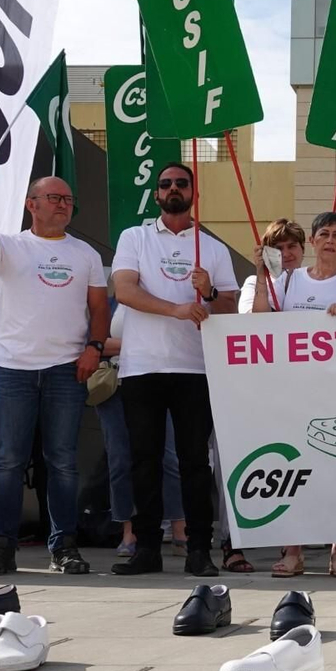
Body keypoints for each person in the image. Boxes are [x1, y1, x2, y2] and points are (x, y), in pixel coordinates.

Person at [0, 157, 109, 576]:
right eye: (54, 198)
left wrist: (94, 346)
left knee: (62, 462)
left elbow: (98, 307)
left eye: (68, 200)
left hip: (65, 370)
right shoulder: (8, 246)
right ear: (30, 204)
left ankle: (64, 547)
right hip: (13, 370)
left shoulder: (86, 254)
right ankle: (1, 547)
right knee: (9, 461)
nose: (63, 205)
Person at [109, 162, 242, 577]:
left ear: (193, 192)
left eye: (180, 183)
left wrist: (210, 292)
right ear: (156, 194)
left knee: (194, 464)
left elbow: (230, 305)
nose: (172, 189)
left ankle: (199, 550)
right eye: (164, 184)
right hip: (142, 367)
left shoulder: (213, 248)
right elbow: (125, 291)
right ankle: (146, 548)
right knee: (144, 461)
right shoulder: (135, 237)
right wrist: (178, 309)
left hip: (194, 368)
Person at [252, 210, 336, 577]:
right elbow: (260, 324)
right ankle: (294, 551)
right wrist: (262, 277)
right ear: (313, 239)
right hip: (296, 390)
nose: (330, 240)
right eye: (324, 233)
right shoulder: (289, 281)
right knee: (294, 470)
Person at [96, 298, 188, 559]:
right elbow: (96, 342)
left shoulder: (166, 297)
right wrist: (138, 345)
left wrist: (125, 346)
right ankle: (129, 531)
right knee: (120, 460)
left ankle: (180, 530)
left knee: (170, 458)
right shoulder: (113, 304)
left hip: (159, 383)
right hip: (114, 387)